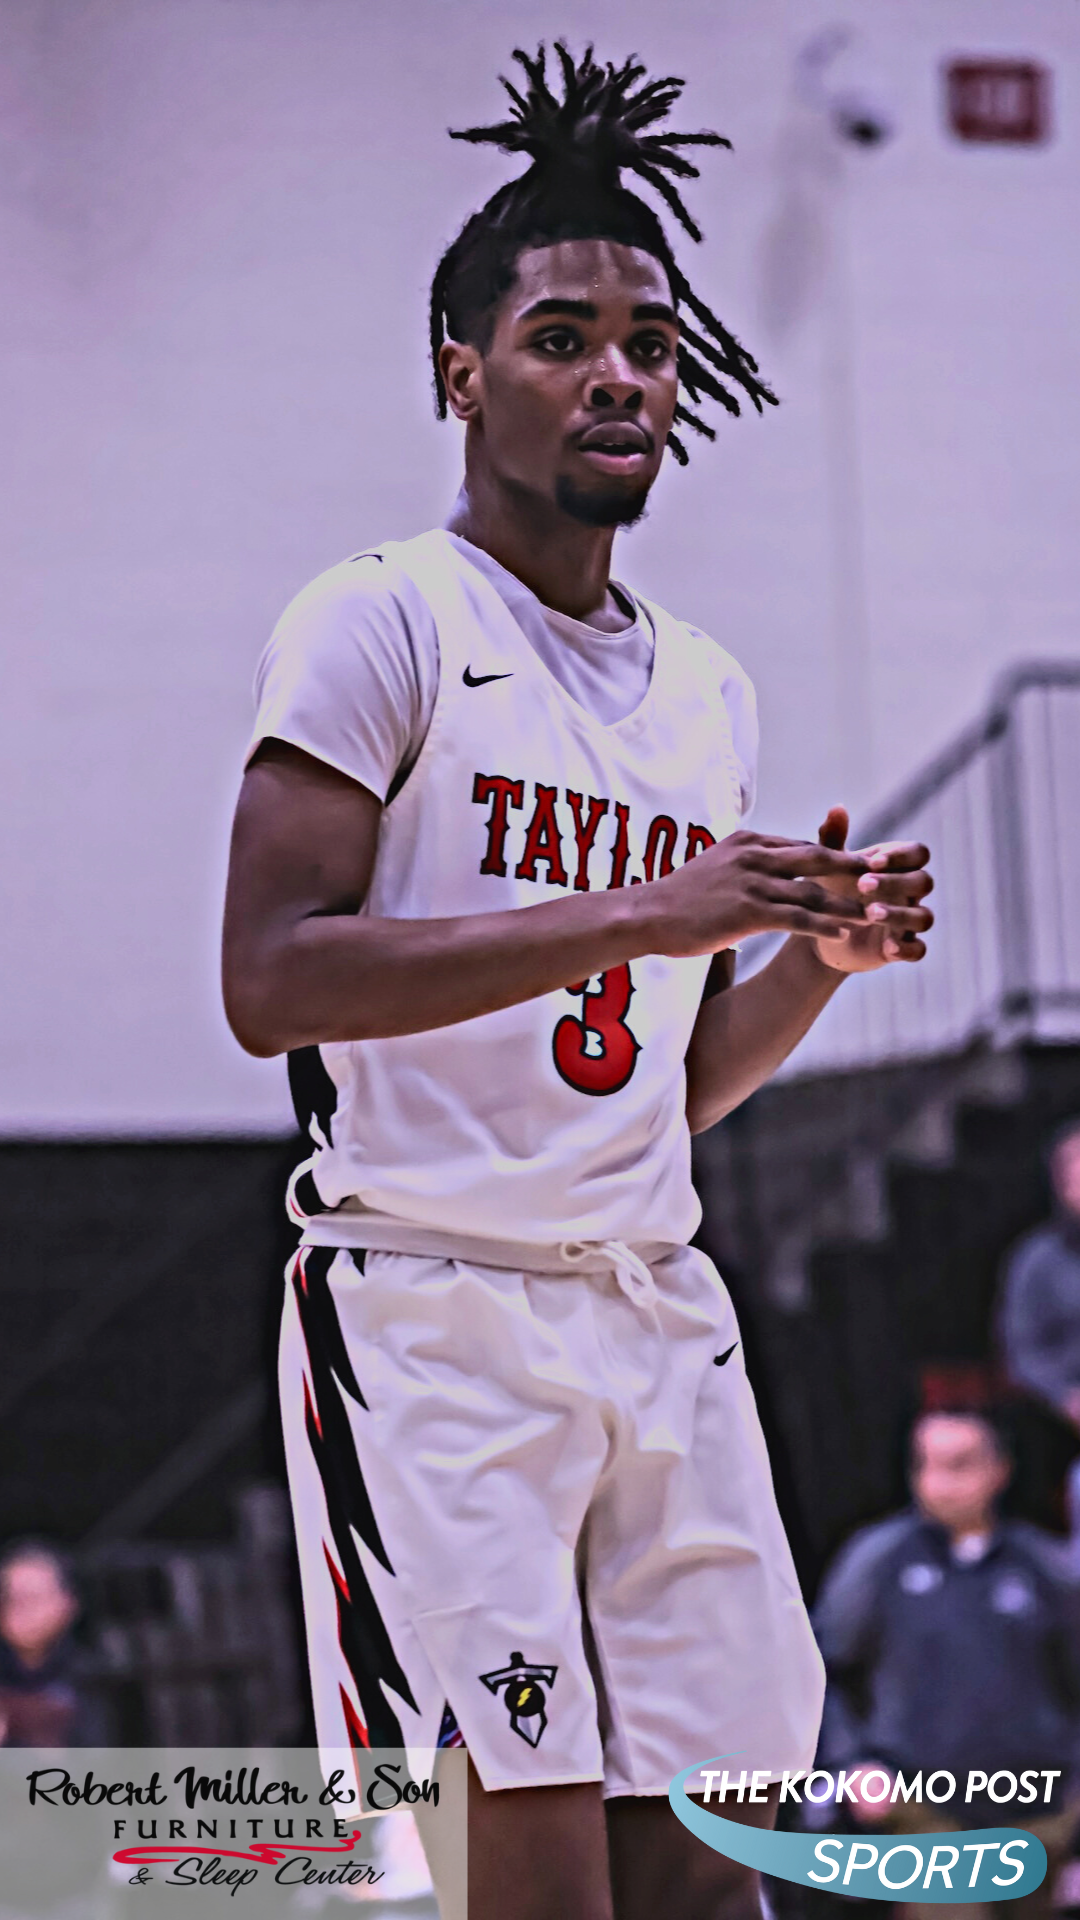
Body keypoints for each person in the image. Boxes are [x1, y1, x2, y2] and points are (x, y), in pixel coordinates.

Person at [221, 43, 934, 1920]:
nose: (618, 374)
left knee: (717, 1863)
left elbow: (664, 1087)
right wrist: (644, 914)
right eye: (562, 338)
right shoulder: (379, 618)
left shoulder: (705, 689)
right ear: (462, 372)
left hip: (655, 1310)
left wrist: (815, 964)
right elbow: (270, 980)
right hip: (433, 1321)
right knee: (517, 1875)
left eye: (649, 343)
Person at [814, 1411, 1080, 1920]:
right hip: (926, 1811)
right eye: (926, 1465)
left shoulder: (1045, 1567)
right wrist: (851, 1764)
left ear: (999, 1470)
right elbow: (825, 1671)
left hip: (1039, 1814)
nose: (940, 1483)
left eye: (959, 1465)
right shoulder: (876, 1560)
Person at [1001, 1119, 1080, 1429]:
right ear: (1062, 1185)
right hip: (1063, 1411)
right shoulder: (1038, 1259)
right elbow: (1023, 1353)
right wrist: (1065, 1397)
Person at [0, 1541, 105, 1746]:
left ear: (67, 1604)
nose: (18, 1607)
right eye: (8, 1595)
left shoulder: (99, 1682)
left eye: (32, 1596)